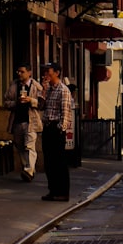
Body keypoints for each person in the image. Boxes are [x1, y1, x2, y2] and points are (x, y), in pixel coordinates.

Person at [39, 63, 73, 202]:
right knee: (49, 161)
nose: (46, 74)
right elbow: (41, 106)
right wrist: (43, 91)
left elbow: (66, 112)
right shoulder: (49, 89)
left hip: (56, 129)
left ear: (57, 73)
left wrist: (61, 129)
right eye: (45, 72)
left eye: (49, 71)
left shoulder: (63, 90)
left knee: (59, 162)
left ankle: (63, 192)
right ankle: (52, 190)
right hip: (47, 127)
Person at [4, 64, 42, 182]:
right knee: (19, 145)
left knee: (30, 146)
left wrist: (31, 100)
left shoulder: (36, 86)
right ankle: (27, 168)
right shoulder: (14, 85)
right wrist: (16, 103)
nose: (19, 74)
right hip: (17, 121)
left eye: (22, 72)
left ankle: (29, 170)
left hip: (31, 121)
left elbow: (42, 104)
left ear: (29, 73)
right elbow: (6, 102)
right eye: (18, 71)